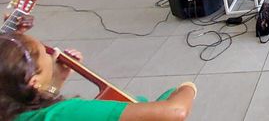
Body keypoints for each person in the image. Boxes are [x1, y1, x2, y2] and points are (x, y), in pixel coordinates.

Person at [0, 34, 197, 120]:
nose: (51, 56)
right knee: (170, 96)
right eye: (45, 54)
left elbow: (36, 98)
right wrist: (187, 88)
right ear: (33, 82)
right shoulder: (66, 113)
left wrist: (57, 80)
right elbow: (175, 112)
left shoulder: (11, 108)